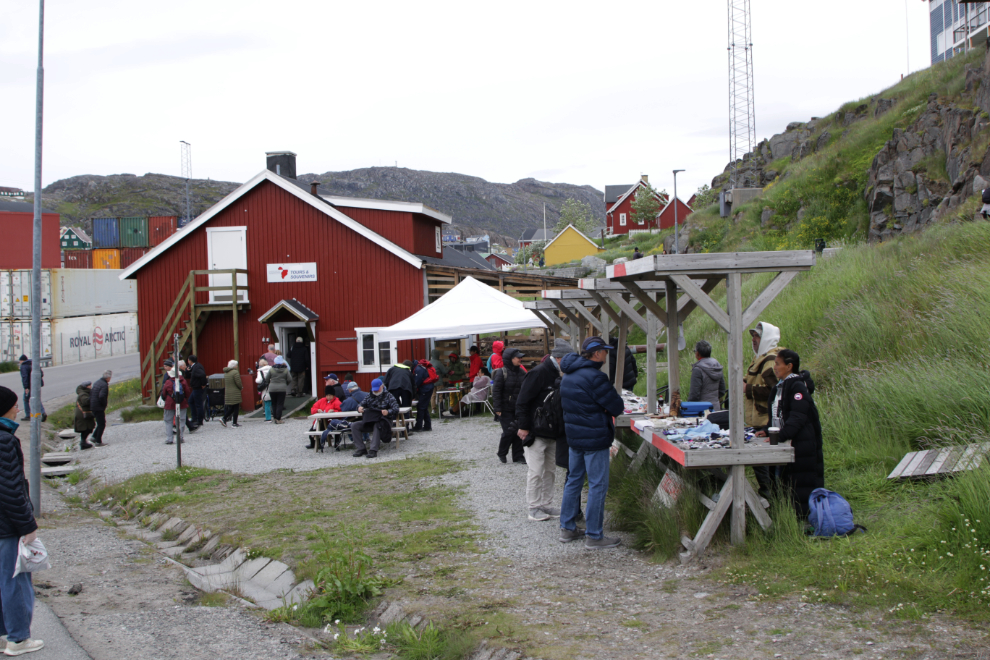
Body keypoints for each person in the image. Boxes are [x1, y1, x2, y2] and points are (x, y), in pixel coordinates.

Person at [559, 337, 625, 549]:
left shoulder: (568, 375)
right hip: (595, 437)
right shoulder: (596, 377)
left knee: (574, 480)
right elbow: (616, 406)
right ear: (596, 354)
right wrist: (603, 408)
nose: (606, 354)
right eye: (604, 351)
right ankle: (594, 535)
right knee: (597, 485)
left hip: (574, 436)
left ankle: (567, 528)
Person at [0, 386, 44, 655]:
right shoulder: (5, 440)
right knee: (15, 580)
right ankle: (18, 638)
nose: (18, 409)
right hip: (7, 526)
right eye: (14, 404)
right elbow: (10, 489)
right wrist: (28, 526)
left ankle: (5, 634)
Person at [757, 349, 824, 517]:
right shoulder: (778, 388)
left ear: (789, 366)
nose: (775, 367)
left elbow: (797, 418)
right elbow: (776, 416)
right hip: (785, 443)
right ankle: (783, 515)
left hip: (800, 444)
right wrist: (767, 431)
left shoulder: (797, 386)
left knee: (799, 483)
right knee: (780, 481)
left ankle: (803, 517)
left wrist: (781, 436)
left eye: (778, 364)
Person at [516, 339, 573, 521]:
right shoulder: (538, 373)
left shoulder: (560, 374)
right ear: (558, 358)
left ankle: (546, 504)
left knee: (550, 470)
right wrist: (523, 426)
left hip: (552, 431)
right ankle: (533, 507)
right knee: (536, 470)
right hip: (535, 431)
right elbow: (523, 401)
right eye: (567, 359)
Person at [744, 321, 783, 496]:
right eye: (753, 336)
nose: (754, 339)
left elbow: (773, 391)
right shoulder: (760, 357)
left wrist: (748, 389)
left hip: (765, 420)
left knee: (762, 462)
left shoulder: (770, 361)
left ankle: (769, 496)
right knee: (759, 462)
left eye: (757, 336)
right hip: (757, 419)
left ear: (766, 337)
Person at [492, 347, 527, 464]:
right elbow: (496, 391)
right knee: (509, 431)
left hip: (518, 409)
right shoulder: (502, 373)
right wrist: (497, 408)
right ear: (510, 359)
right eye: (518, 357)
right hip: (505, 408)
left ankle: (518, 456)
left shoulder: (522, 372)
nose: (520, 359)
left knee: (519, 432)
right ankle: (502, 453)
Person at [350, 379, 398, 459]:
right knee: (355, 425)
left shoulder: (389, 396)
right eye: (374, 389)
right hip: (370, 420)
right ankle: (361, 448)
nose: (375, 391)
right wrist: (359, 408)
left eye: (377, 389)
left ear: (382, 386)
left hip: (383, 421)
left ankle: (373, 450)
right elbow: (360, 404)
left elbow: (396, 408)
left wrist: (388, 412)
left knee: (377, 425)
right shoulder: (369, 395)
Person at [688, 340, 727, 411]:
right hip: (716, 408)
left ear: (698, 353)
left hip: (701, 410)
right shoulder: (717, 366)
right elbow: (722, 390)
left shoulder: (698, 369)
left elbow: (694, 395)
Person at [162, 364, 192, 444]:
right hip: (181, 402)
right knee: (182, 420)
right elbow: (187, 392)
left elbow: (164, 393)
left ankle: (169, 438)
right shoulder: (183, 381)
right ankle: (180, 437)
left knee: (168, 420)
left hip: (169, 404)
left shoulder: (168, 382)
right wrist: (184, 398)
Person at [17, 356, 45, 423]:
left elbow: (25, 377)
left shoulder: (23, 366)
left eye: (20, 361)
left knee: (26, 399)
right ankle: (43, 412)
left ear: (22, 361)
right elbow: (41, 374)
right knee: (36, 399)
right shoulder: (33, 363)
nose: (19, 362)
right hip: (36, 385)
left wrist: (26, 387)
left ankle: (28, 415)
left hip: (29, 386)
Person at [90, 370, 111, 447]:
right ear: (108, 378)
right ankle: (98, 441)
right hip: (98, 407)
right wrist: (104, 404)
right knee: (102, 424)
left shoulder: (97, 382)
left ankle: (94, 437)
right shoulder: (104, 385)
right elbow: (102, 396)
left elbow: (91, 393)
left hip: (93, 405)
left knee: (99, 423)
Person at [413, 359, 435, 432]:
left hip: (425, 389)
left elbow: (417, 382)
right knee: (424, 407)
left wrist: (414, 392)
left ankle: (418, 426)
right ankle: (427, 425)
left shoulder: (418, 369)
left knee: (421, 407)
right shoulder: (421, 367)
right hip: (428, 388)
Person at [268, 357, 291, 424]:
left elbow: (267, 378)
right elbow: (289, 379)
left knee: (274, 403)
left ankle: (275, 417)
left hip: (272, 388)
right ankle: (278, 418)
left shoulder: (271, 369)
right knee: (280, 404)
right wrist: (285, 384)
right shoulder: (285, 370)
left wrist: (270, 383)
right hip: (282, 388)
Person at [187, 354, 208, 429]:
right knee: (191, 401)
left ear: (190, 360)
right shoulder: (194, 367)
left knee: (198, 404)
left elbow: (202, 375)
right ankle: (194, 418)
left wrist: (203, 384)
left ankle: (199, 420)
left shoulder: (197, 367)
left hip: (198, 387)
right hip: (195, 387)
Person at [220, 360, 242, 428]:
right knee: (236, 408)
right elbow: (238, 382)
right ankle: (233, 422)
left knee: (232, 407)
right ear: (234, 366)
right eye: (236, 365)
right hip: (235, 392)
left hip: (228, 392)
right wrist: (241, 387)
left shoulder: (226, 373)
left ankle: (224, 418)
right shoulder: (235, 372)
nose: (237, 366)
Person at [73, 382, 95, 451]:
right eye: (89, 385)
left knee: (86, 428)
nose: (91, 386)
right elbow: (86, 402)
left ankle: (83, 442)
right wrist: (93, 398)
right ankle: (83, 443)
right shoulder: (83, 394)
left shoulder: (83, 392)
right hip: (83, 414)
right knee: (86, 428)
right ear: (86, 387)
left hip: (83, 413)